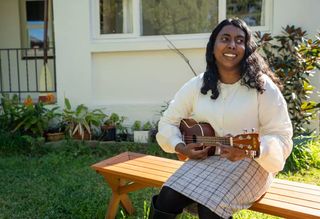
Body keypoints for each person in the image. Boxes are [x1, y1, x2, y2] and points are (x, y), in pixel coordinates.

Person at [149, 18, 293, 219]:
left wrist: (257, 149)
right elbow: (167, 121)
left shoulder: (263, 87)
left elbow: (281, 135)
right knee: (167, 196)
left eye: (239, 40)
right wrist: (181, 147)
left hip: (253, 163)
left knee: (211, 209)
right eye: (225, 38)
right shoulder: (198, 84)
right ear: (213, 46)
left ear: (246, 48)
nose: (232, 45)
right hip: (207, 158)